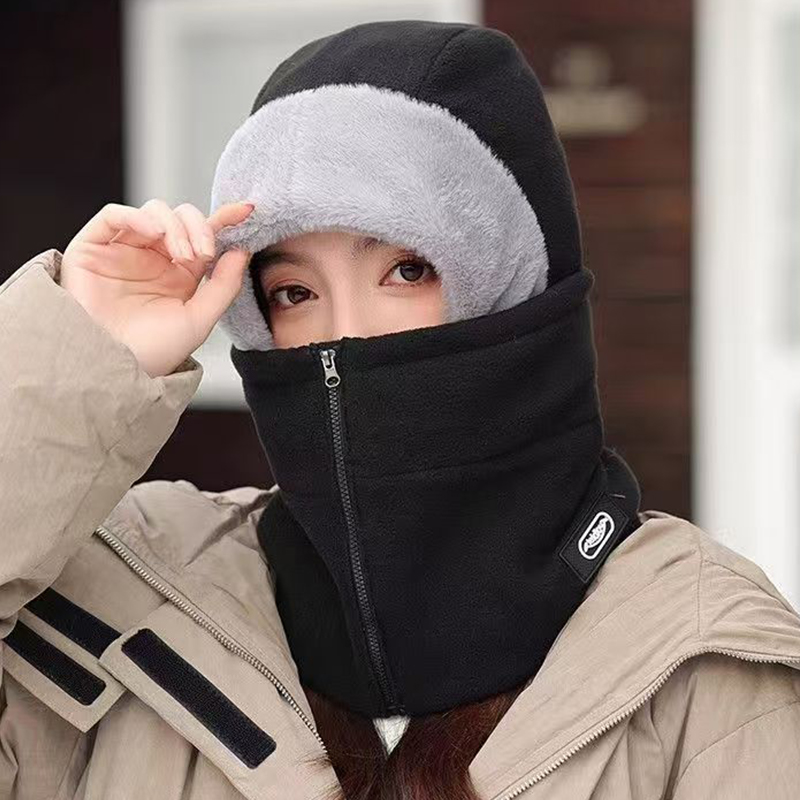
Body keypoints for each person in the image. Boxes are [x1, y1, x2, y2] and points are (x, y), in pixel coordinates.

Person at [2, 18, 800, 800]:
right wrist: (78, 355)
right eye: (294, 292)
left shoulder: (707, 667)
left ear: (515, 290)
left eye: (408, 271)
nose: (343, 336)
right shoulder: (117, 596)